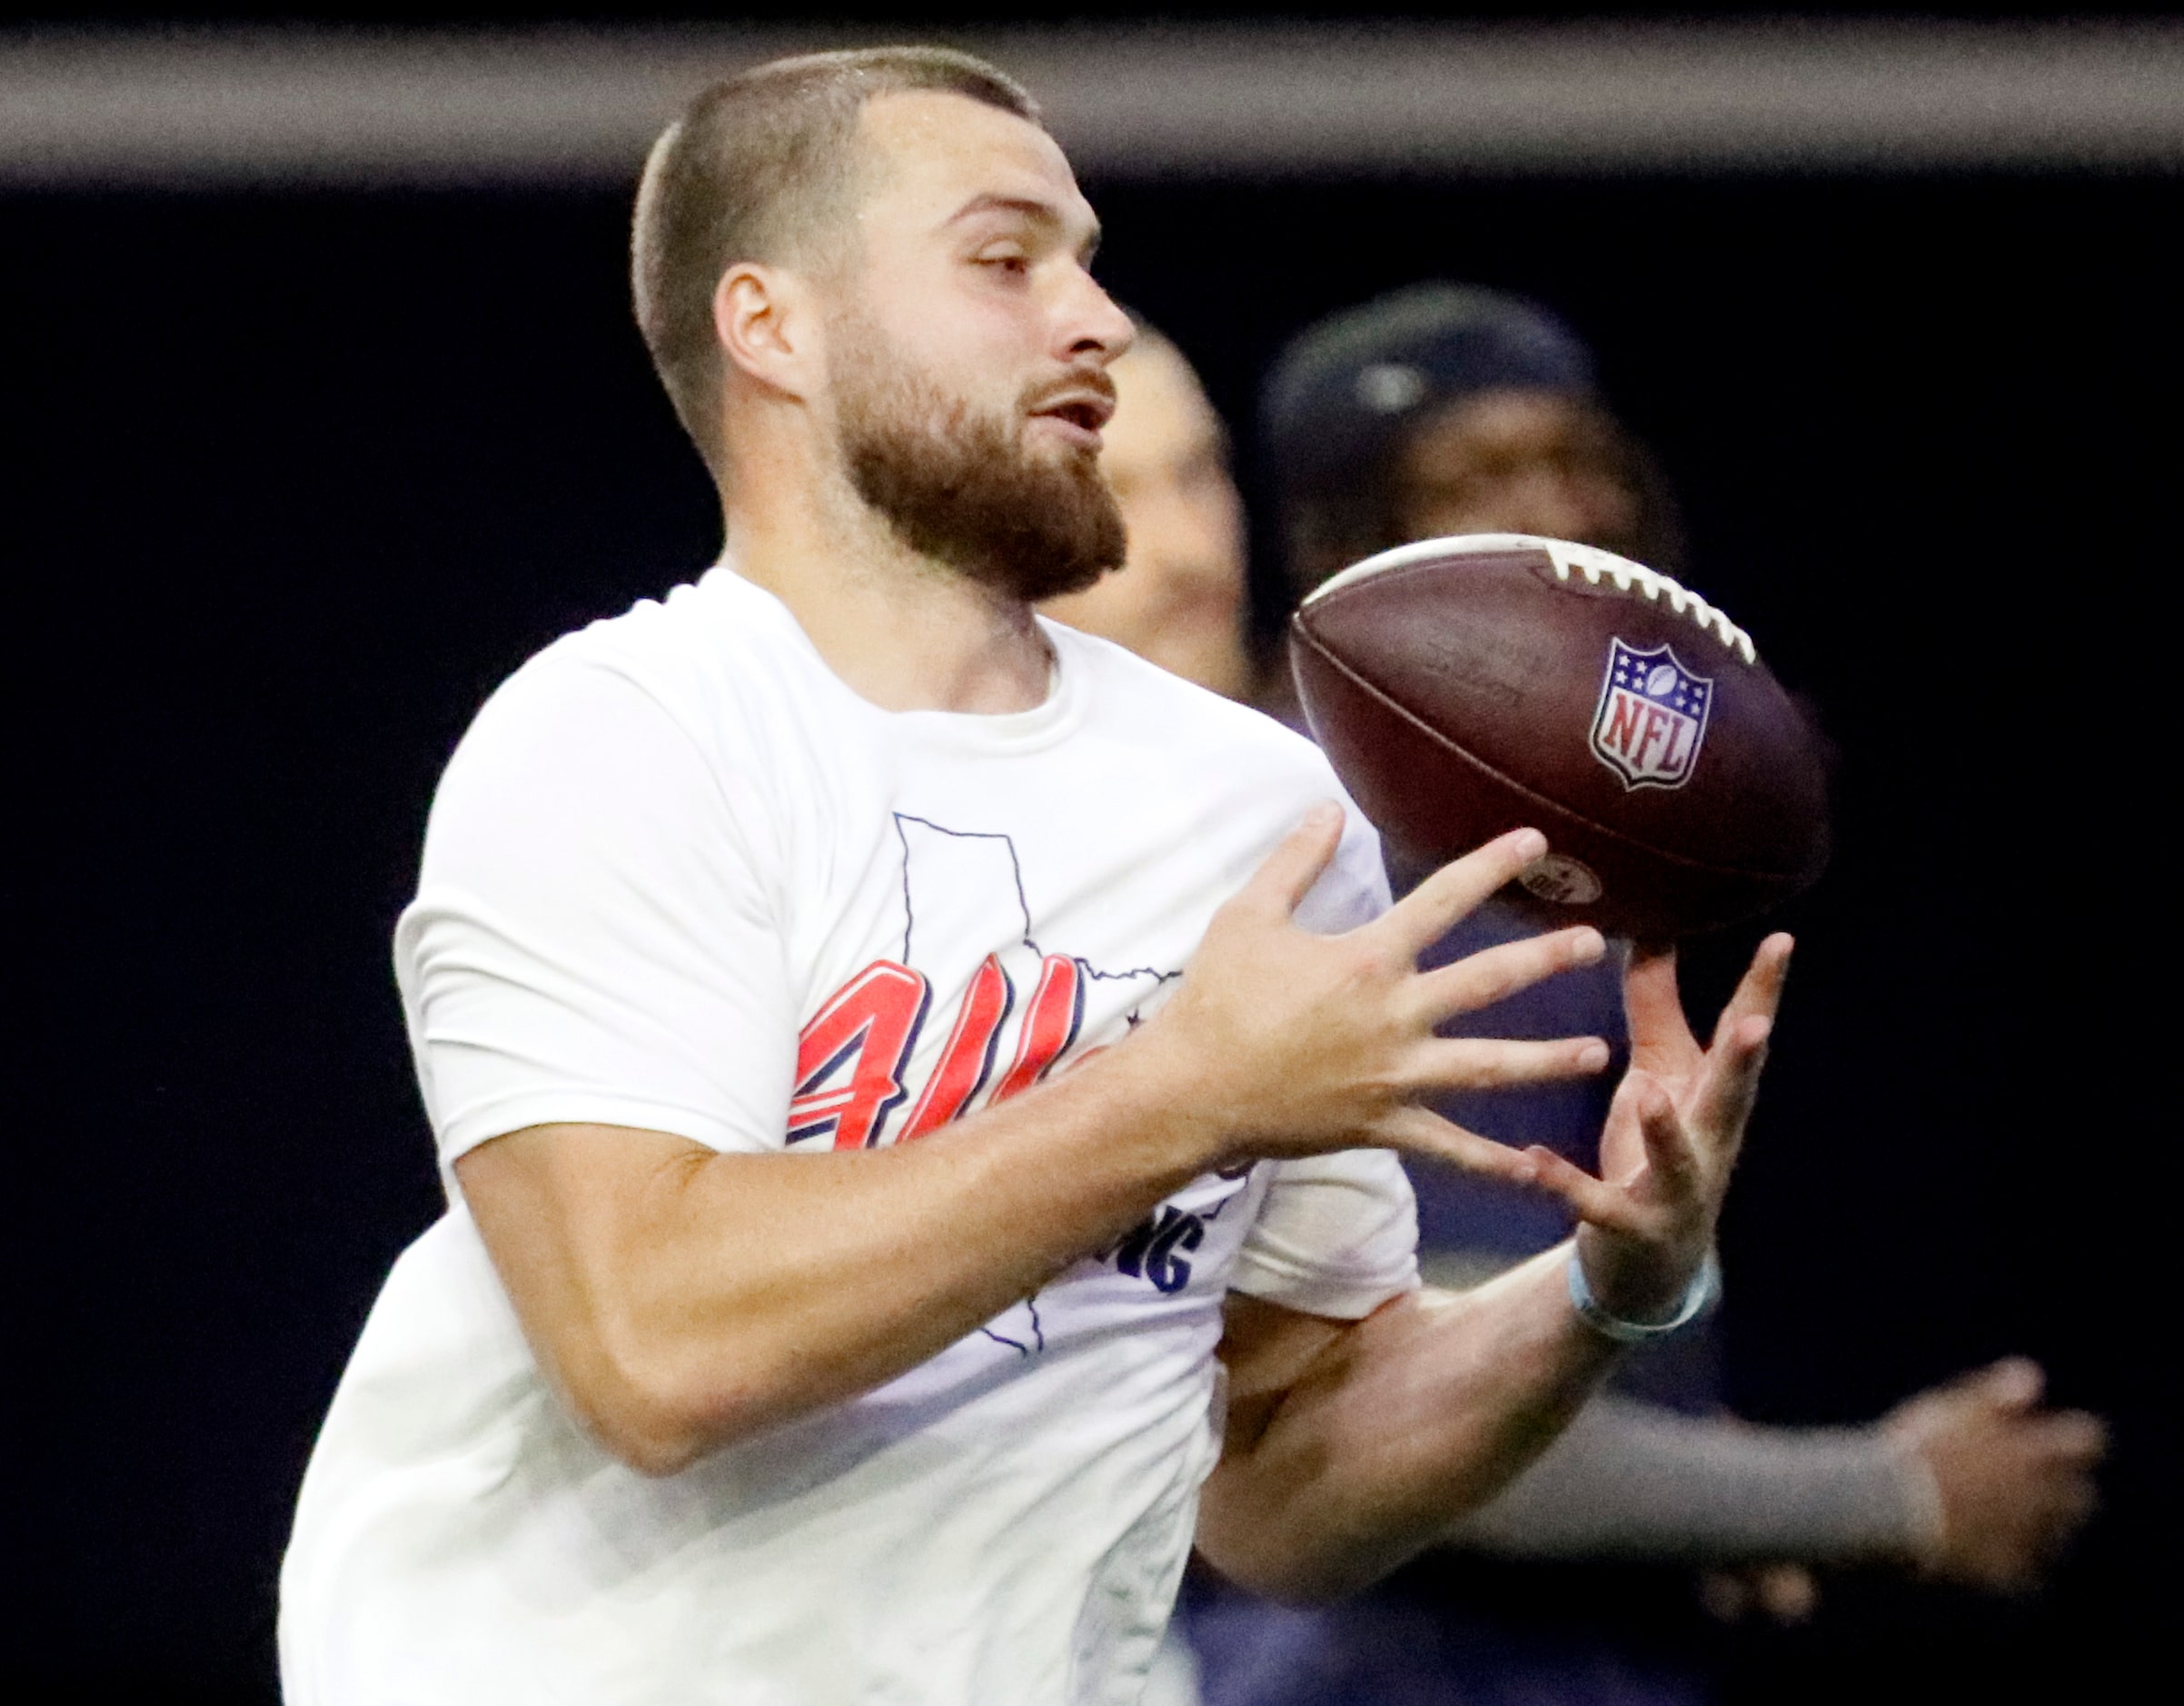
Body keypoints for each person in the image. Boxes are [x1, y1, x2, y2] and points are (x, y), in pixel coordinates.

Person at [277, 52, 1794, 1706]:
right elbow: (655, 1343)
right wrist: (1186, 1092)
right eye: (1007, 262)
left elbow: (1285, 1479)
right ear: (773, 325)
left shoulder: (1261, 807)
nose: (1096, 322)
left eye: (1087, 259)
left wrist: (1599, 1292)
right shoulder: (622, 736)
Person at [1044, 296, 2104, 1706]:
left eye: (1571, 459)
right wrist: (1882, 1491)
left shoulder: (1524, 871)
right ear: (1347, 556)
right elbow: (1398, 1394)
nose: (1555, 522)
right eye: (1476, 484)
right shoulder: (1357, 880)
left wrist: (1695, 1490)